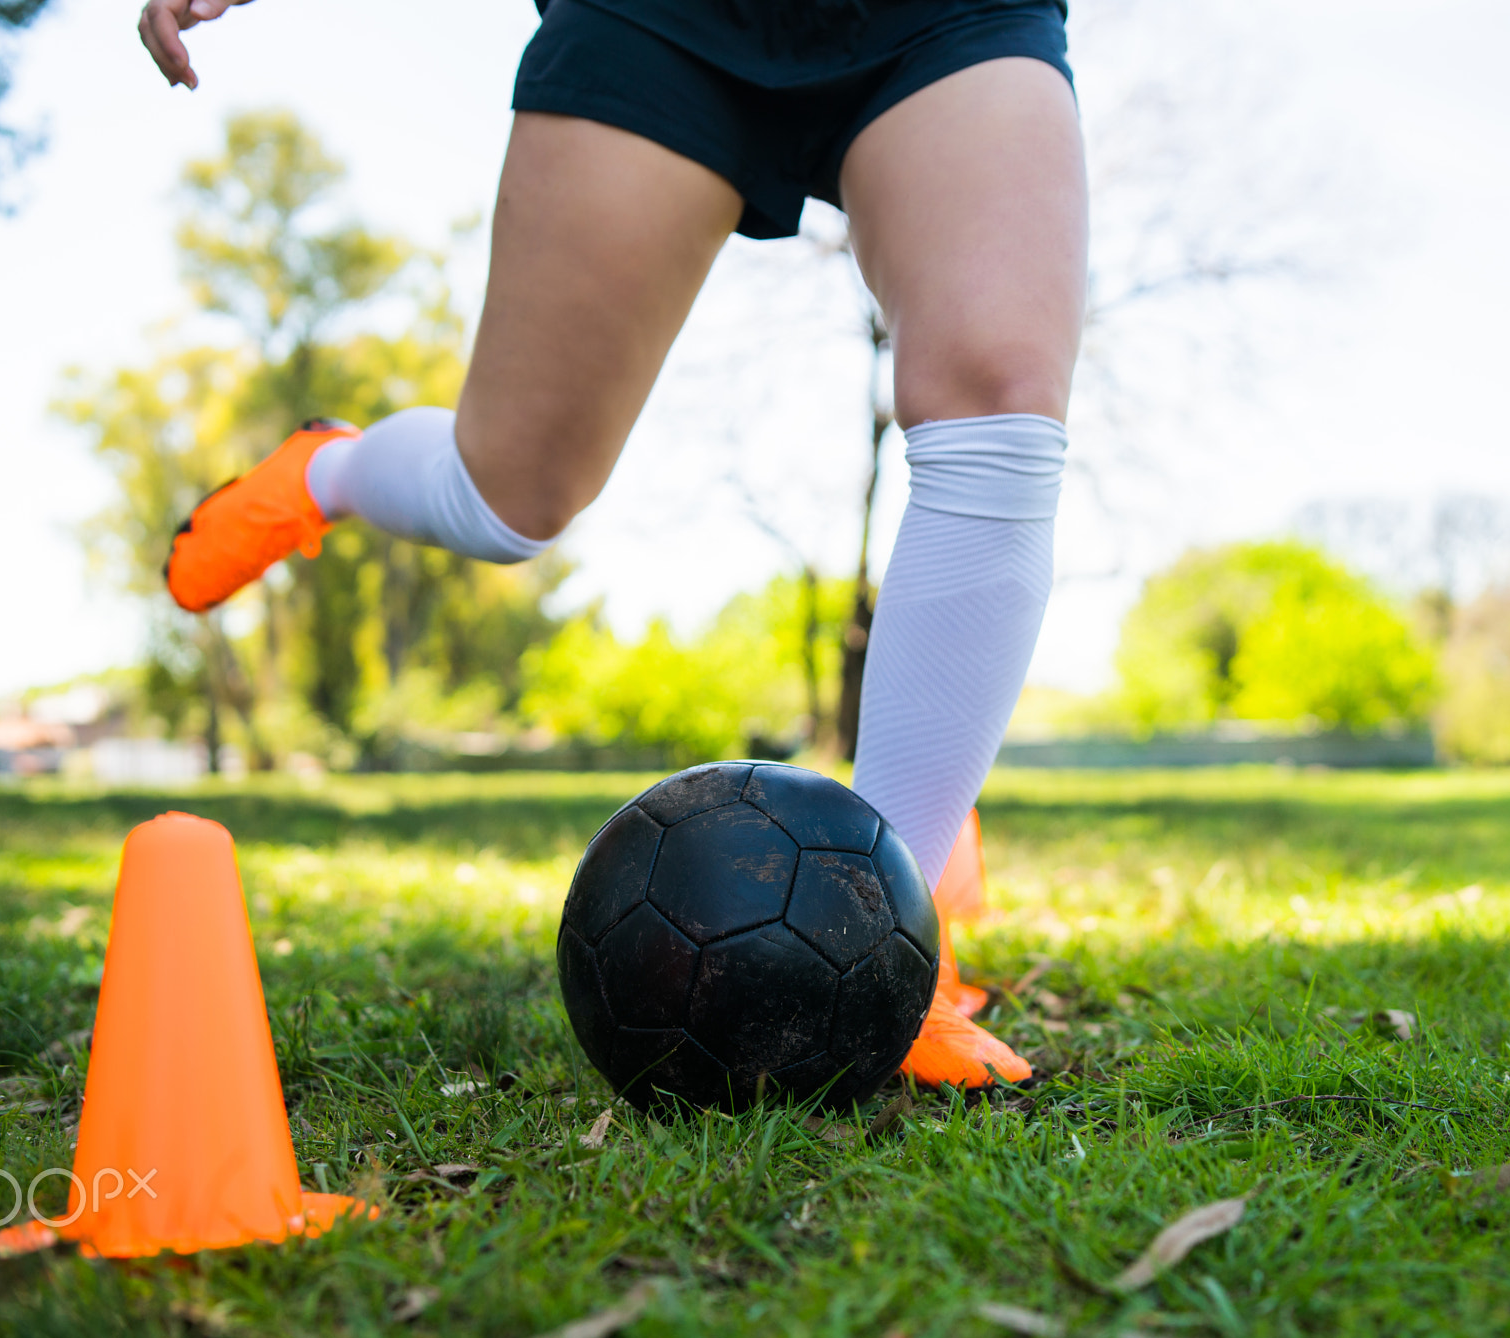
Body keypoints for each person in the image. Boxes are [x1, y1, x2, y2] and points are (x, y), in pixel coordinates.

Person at [138, 0, 1087, 1090]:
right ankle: (324, 471)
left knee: (1000, 408)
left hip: (942, 19)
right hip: (659, 19)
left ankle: (893, 965)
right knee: (509, 495)